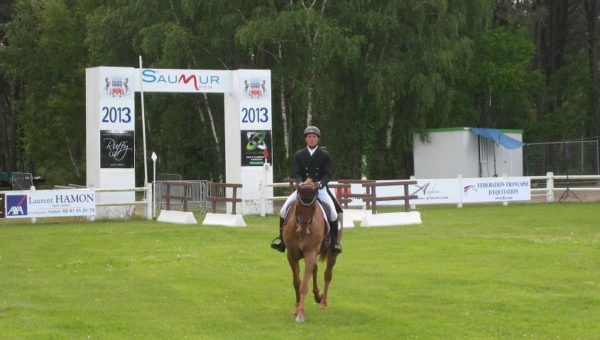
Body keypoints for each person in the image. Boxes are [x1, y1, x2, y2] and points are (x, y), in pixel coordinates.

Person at [271, 125, 343, 256]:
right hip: (303, 189)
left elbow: (328, 174)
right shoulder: (299, 154)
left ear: (318, 139)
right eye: (309, 137)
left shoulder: (324, 155)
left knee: (333, 213)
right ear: (306, 139)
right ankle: (281, 241)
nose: (311, 139)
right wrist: (300, 183)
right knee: (283, 210)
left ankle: (334, 244)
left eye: (314, 137)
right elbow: (297, 172)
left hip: (319, 189)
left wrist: (320, 183)